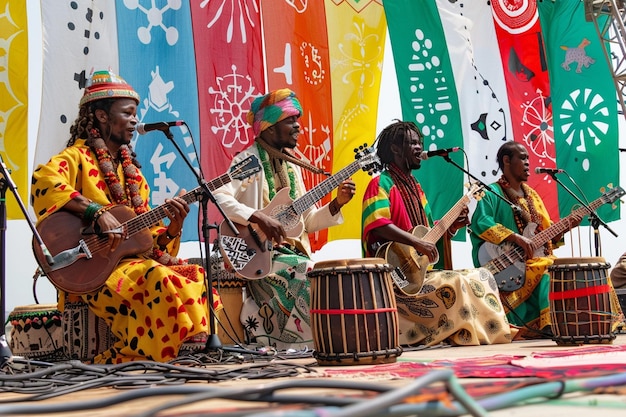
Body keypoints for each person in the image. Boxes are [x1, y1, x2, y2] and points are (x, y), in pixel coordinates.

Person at [31, 70, 222, 363]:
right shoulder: (75, 158)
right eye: (128, 113)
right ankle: (136, 359)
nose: (135, 120)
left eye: (136, 114)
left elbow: (149, 243)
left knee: (196, 275)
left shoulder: (136, 178)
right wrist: (95, 212)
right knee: (158, 278)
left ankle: (183, 357)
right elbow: (43, 182)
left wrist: (174, 226)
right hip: (92, 269)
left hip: (133, 264)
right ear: (102, 117)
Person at [213, 88, 356, 350]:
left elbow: (308, 222)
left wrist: (337, 204)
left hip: (294, 254)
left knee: (326, 275)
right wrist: (257, 217)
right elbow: (218, 196)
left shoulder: (292, 167)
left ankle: (314, 344)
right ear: (268, 128)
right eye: (291, 120)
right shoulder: (246, 160)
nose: (298, 127)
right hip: (260, 256)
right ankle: (308, 345)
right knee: (310, 274)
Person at [361, 120, 513, 347]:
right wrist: (417, 242)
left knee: (482, 276)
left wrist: (451, 226)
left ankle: (491, 335)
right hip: (394, 278)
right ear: (394, 148)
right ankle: (465, 336)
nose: (418, 148)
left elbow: (429, 234)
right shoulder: (380, 183)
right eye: (412, 143)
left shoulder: (416, 187)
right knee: (456, 281)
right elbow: (379, 224)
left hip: (417, 273)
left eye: (419, 143)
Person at [469, 141, 582, 337]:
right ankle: (549, 324)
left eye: (528, 158)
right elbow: (481, 222)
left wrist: (564, 228)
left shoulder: (533, 197)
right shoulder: (492, 193)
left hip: (534, 260)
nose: (528, 163)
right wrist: (516, 238)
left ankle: (567, 320)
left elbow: (546, 237)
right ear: (506, 161)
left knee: (560, 265)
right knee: (551, 266)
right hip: (507, 266)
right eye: (522, 158)